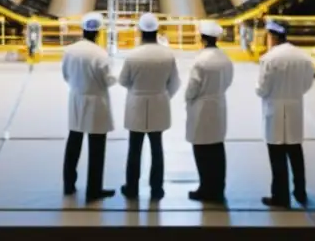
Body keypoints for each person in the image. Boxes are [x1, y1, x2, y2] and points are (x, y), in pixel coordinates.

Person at [119, 12, 180, 200]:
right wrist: (162, 95)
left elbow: (123, 80)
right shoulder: (167, 55)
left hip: (136, 105)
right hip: (159, 105)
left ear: (140, 32)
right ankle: (156, 189)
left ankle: (132, 188)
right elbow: (175, 83)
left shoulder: (132, 55)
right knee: (157, 148)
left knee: (134, 149)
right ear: (157, 31)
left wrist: (137, 90)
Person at [256, 19, 315, 208]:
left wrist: (260, 91)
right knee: (295, 152)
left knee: (277, 154)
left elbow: (262, 88)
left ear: (273, 36)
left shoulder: (269, 59)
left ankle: (280, 197)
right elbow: (307, 85)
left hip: (275, 109)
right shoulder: (303, 57)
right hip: (295, 108)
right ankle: (300, 192)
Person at [61, 11, 116, 201]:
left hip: (76, 99)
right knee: (97, 147)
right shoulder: (100, 54)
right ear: (98, 33)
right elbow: (109, 80)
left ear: (83, 30)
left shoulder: (70, 51)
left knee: (73, 143)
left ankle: (69, 185)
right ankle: (94, 190)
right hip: (97, 103)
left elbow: (66, 75)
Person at [184, 20, 234, 203]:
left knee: (201, 148)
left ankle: (205, 188)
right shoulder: (225, 58)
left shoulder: (200, 61)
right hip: (219, 104)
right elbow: (228, 81)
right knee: (217, 148)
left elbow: (192, 88)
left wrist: (188, 99)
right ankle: (218, 188)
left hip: (201, 108)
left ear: (202, 38)